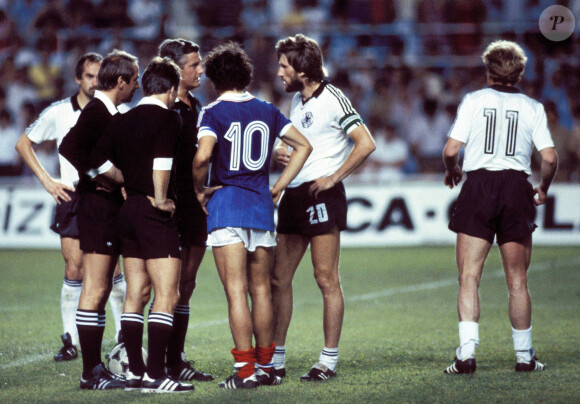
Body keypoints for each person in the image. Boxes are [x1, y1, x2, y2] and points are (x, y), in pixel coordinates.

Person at [193, 42, 312, 389]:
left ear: (213, 79)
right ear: (245, 75)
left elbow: (202, 158)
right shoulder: (267, 109)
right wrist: (280, 187)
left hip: (227, 206)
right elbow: (303, 145)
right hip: (261, 207)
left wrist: (197, 188)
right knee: (261, 290)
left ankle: (244, 372)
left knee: (236, 292)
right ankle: (267, 367)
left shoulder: (211, 113)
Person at [442, 40, 558, 374]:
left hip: (479, 185)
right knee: (518, 280)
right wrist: (543, 188)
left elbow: (451, 150)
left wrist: (453, 171)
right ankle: (524, 356)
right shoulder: (532, 107)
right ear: (519, 72)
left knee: (469, 276)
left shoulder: (474, 101)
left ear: (488, 70)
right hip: (515, 188)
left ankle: (466, 355)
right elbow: (549, 157)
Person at [271, 34, 375, 381]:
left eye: (284, 66)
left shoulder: (333, 98)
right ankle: (277, 358)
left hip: (321, 196)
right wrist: (281, 153)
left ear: (302, 69)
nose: (279, 72)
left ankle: (327, 360)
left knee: (325, 278)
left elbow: (366, 143)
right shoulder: (297, 103)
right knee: (278, 278)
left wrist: (333, 178)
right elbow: (301, 146)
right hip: (295, 196)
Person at [14, 53, 127, 362]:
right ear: (79, 79)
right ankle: (70, 340)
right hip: (73, 197)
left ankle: (121, 337)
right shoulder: (60, 111)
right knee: (74, 268)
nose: (94, 81)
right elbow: (23, 143)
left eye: (98, 76)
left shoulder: (116, 110)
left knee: (112, 270)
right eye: (89, 76)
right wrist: (48, 181)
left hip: (107, 197)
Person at [92, 56, 194, 393]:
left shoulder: (122, 119)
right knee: (167, 292)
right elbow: (163, 160)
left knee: (136, 292)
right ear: (170, 89)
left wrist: (117, 181)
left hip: (128, 210)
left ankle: (135, 372)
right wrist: (162, 197)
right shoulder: (168, 118)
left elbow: (94, 161)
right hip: (153, 212)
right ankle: (155, 374)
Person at [59, 49, 140, 390]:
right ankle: (90, 371)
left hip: (105, 207)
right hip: (96, 206)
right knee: (94, 287)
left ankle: (94, 369)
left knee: (103, 286)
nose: (136, 86)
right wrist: (102, 176)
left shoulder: (109, 111)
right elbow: (68, 147)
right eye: (134, 80)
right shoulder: (97, 111)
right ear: (120, 81)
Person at [157, 38, 213, 382]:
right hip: (168, 206)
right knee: (167, 287)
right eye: (193, 64)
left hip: (193, 205)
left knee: (187, 284)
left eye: (200, 63)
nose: (200, 70)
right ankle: (157, 361)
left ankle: (175, 360)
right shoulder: (160, 107)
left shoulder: (197, 105)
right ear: (175, 68)